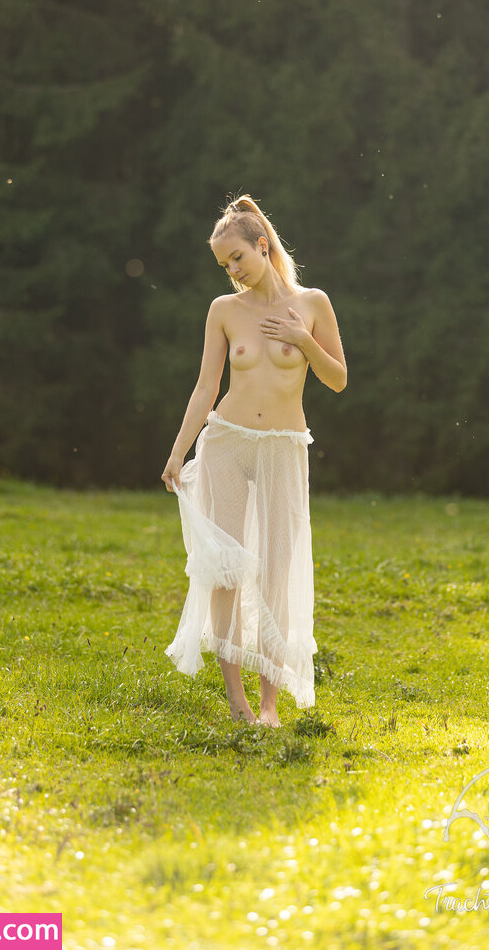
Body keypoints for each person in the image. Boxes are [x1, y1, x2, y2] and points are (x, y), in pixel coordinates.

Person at [161, 195, 346, 727]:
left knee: (276, 573)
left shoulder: (312, 303)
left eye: (238, 257)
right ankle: (237, 700)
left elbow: (338, 379)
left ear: (262, 246)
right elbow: (205, 387)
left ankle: (270, 705)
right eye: (225, 264)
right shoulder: (224, 310)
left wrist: (301, 340)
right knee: (226, 570)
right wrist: (177, 452)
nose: (233, 271)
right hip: (227, 443)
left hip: (284, 448)